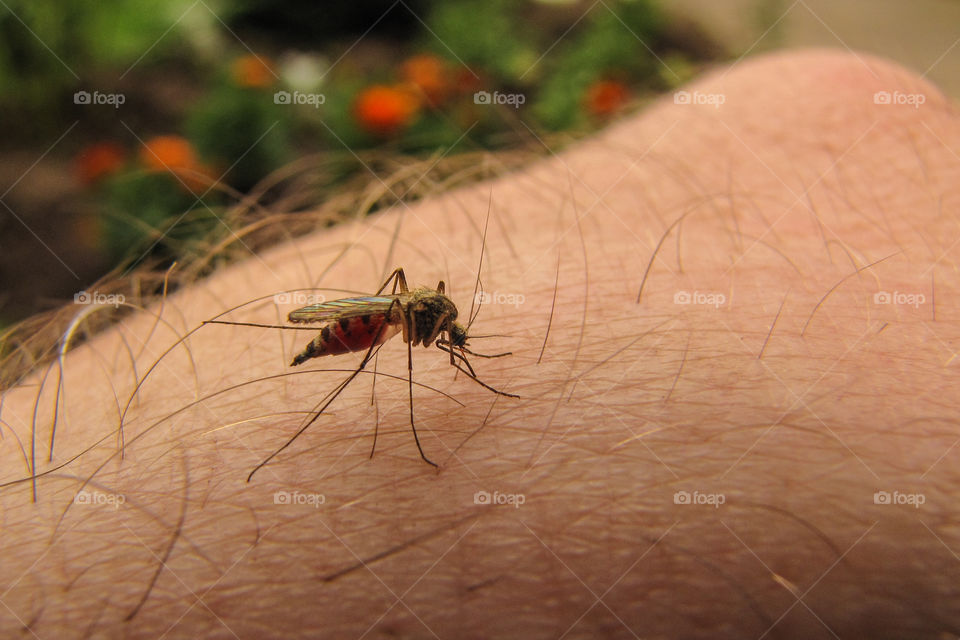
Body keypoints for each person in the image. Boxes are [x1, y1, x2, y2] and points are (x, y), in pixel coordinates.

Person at [2, 49, 956, 638]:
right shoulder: (394, 322)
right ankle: (304, 344)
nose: (448, 340)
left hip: (362, 313)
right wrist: (370, 328)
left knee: (384, 326)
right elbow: (404, 318)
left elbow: (431, 319)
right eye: (447, 336)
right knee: (360, 354)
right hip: (352, 320)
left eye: (444, 335)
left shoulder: (430, 317)